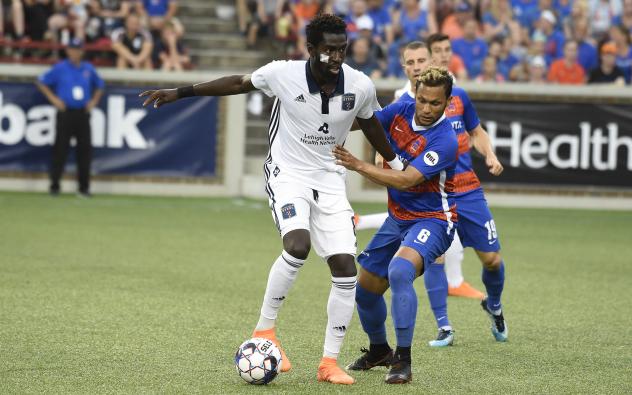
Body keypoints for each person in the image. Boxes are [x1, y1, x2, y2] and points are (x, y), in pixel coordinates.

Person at [139, 14, 404, 385]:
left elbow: (372, 124)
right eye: (328, 49)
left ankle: (329, 363)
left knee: (345, 269)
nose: (336, 56)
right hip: (287, 174)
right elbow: (237, 82)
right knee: (298, 246)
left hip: (330, 181)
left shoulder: (359, 85)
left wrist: (394, 165)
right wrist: (181, 92)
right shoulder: (282, 73)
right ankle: (266, 331)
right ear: (310, 49)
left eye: (341, 49)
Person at [334, 67, 458, 384]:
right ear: (414, 95)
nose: (428, 109)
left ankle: (403, 360)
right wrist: (329, 121)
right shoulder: (402, 109)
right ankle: (379, 351)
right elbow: (368, 122)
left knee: (400, 271)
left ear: (448, 102)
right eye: (423, 100)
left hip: (434, 219)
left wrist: (357, 164)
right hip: (398, 218)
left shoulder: (445, 140)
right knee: (365, 291)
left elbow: (406, 180)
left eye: (436, 103)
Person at [35, 38, 104, 197]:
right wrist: (53, 99)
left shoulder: (88, 68)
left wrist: (93, 101)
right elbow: (41, 81)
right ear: (68, 51)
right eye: (72, 49)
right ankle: (54, 186)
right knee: (60, 150)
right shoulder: (60, 68)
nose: (75, 52)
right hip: (65, 113)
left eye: (78, 49)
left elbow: (100, 85)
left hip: (82, 113)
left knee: (84, 151)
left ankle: (83, 188)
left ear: (82, 51)